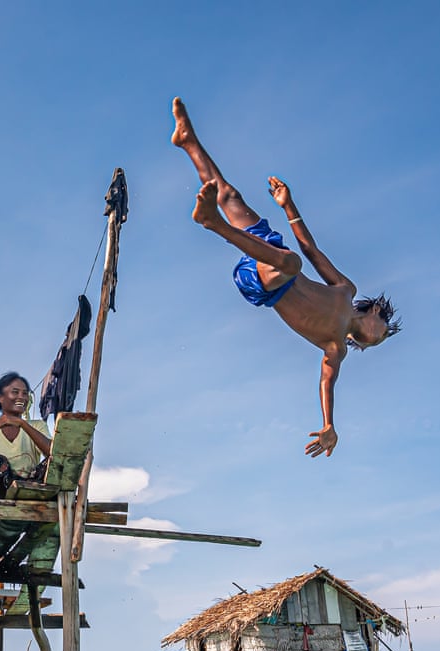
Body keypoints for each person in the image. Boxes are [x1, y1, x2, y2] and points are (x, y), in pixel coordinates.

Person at [171, 97, 400, 458]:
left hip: (264, 282)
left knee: (291, 266)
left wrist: (329, 424)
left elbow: (327, 383)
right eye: (383, 334)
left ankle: (212, 223)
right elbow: (311, 249)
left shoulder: (335, 347)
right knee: (230, 196)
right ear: (374, 313)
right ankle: (188, 141)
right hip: (271, 253)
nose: (377, 341)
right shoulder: (345, 290)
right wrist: (288, 205)